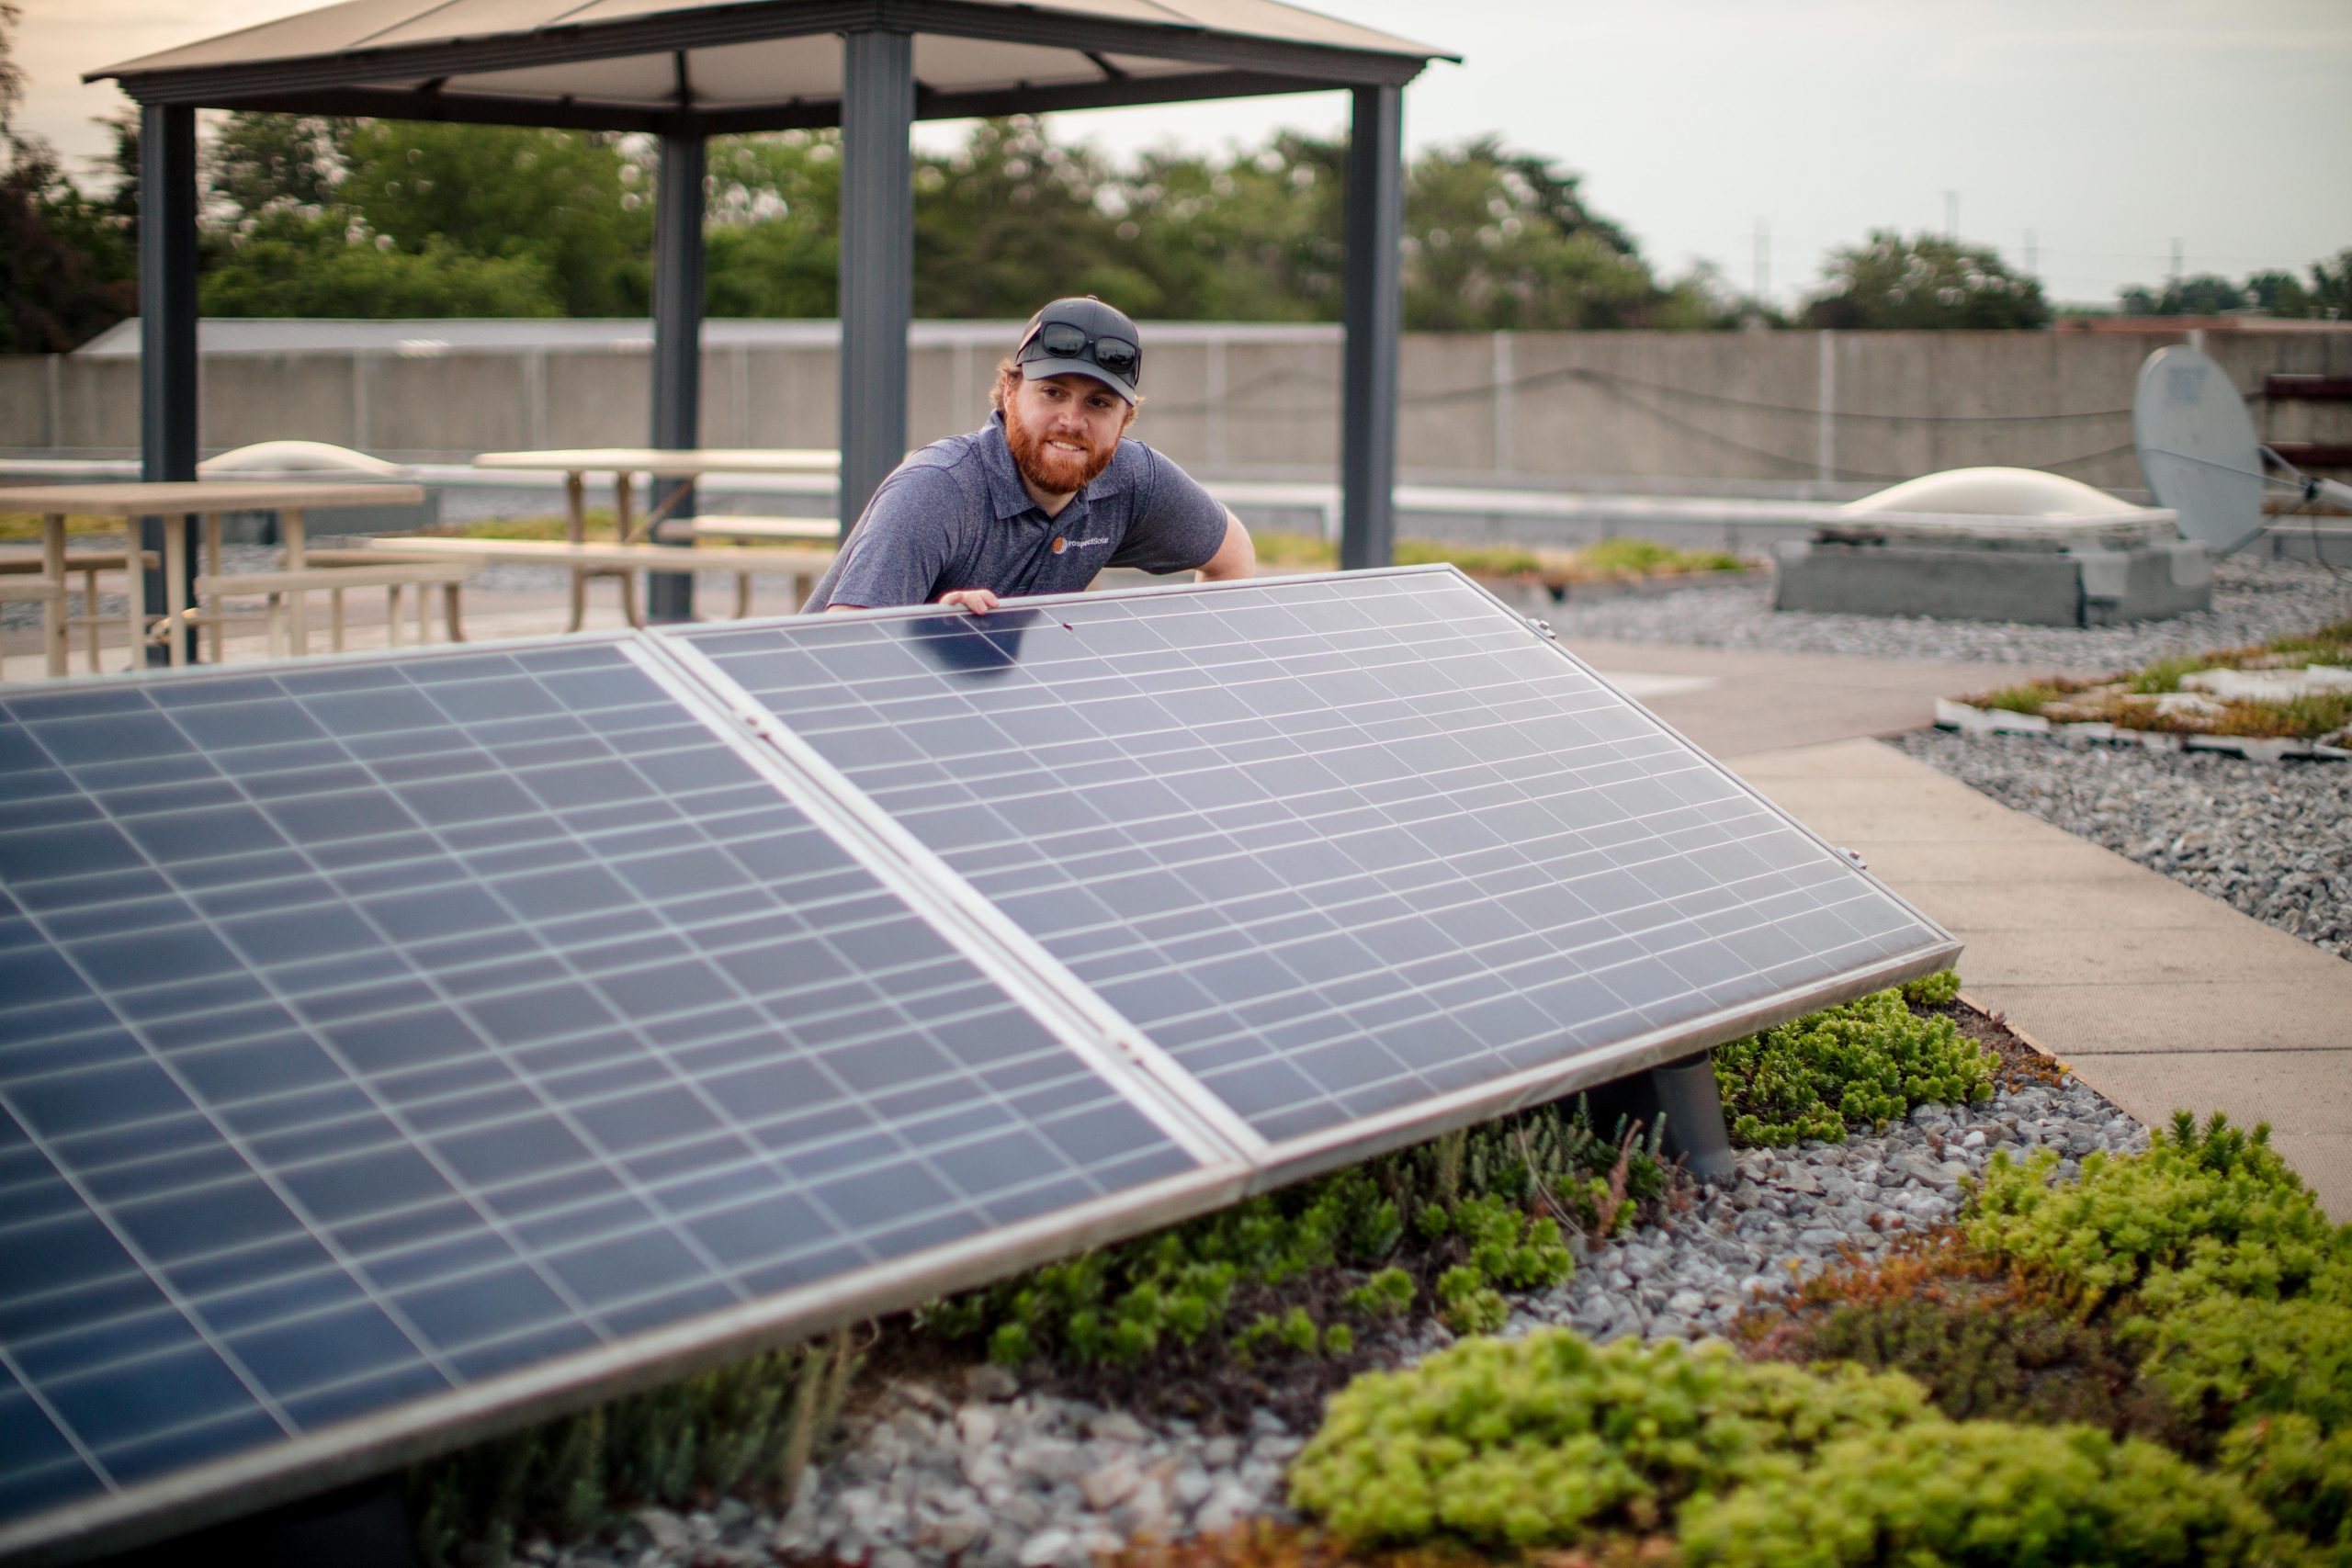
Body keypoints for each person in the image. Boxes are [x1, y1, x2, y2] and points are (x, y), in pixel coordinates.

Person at [808, 298, 1255, 614]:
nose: (1071, 420)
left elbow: (1234, 558)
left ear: (1125, 419)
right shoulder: (935, 490)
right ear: (1010, 390)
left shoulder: (1135, 481)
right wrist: (928, 637)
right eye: (1053, 392)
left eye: (1098, 403)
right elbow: (847, 649)